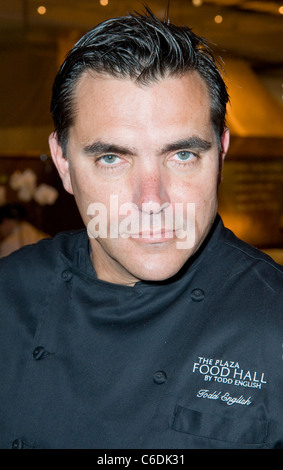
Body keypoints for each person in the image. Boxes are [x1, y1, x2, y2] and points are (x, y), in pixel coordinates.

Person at [0, 9, 282, 450]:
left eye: (182, 155)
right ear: (63, 164)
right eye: (112, 158)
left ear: (221, 153)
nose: (152, 201)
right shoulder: (8, 294)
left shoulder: (274, 319)